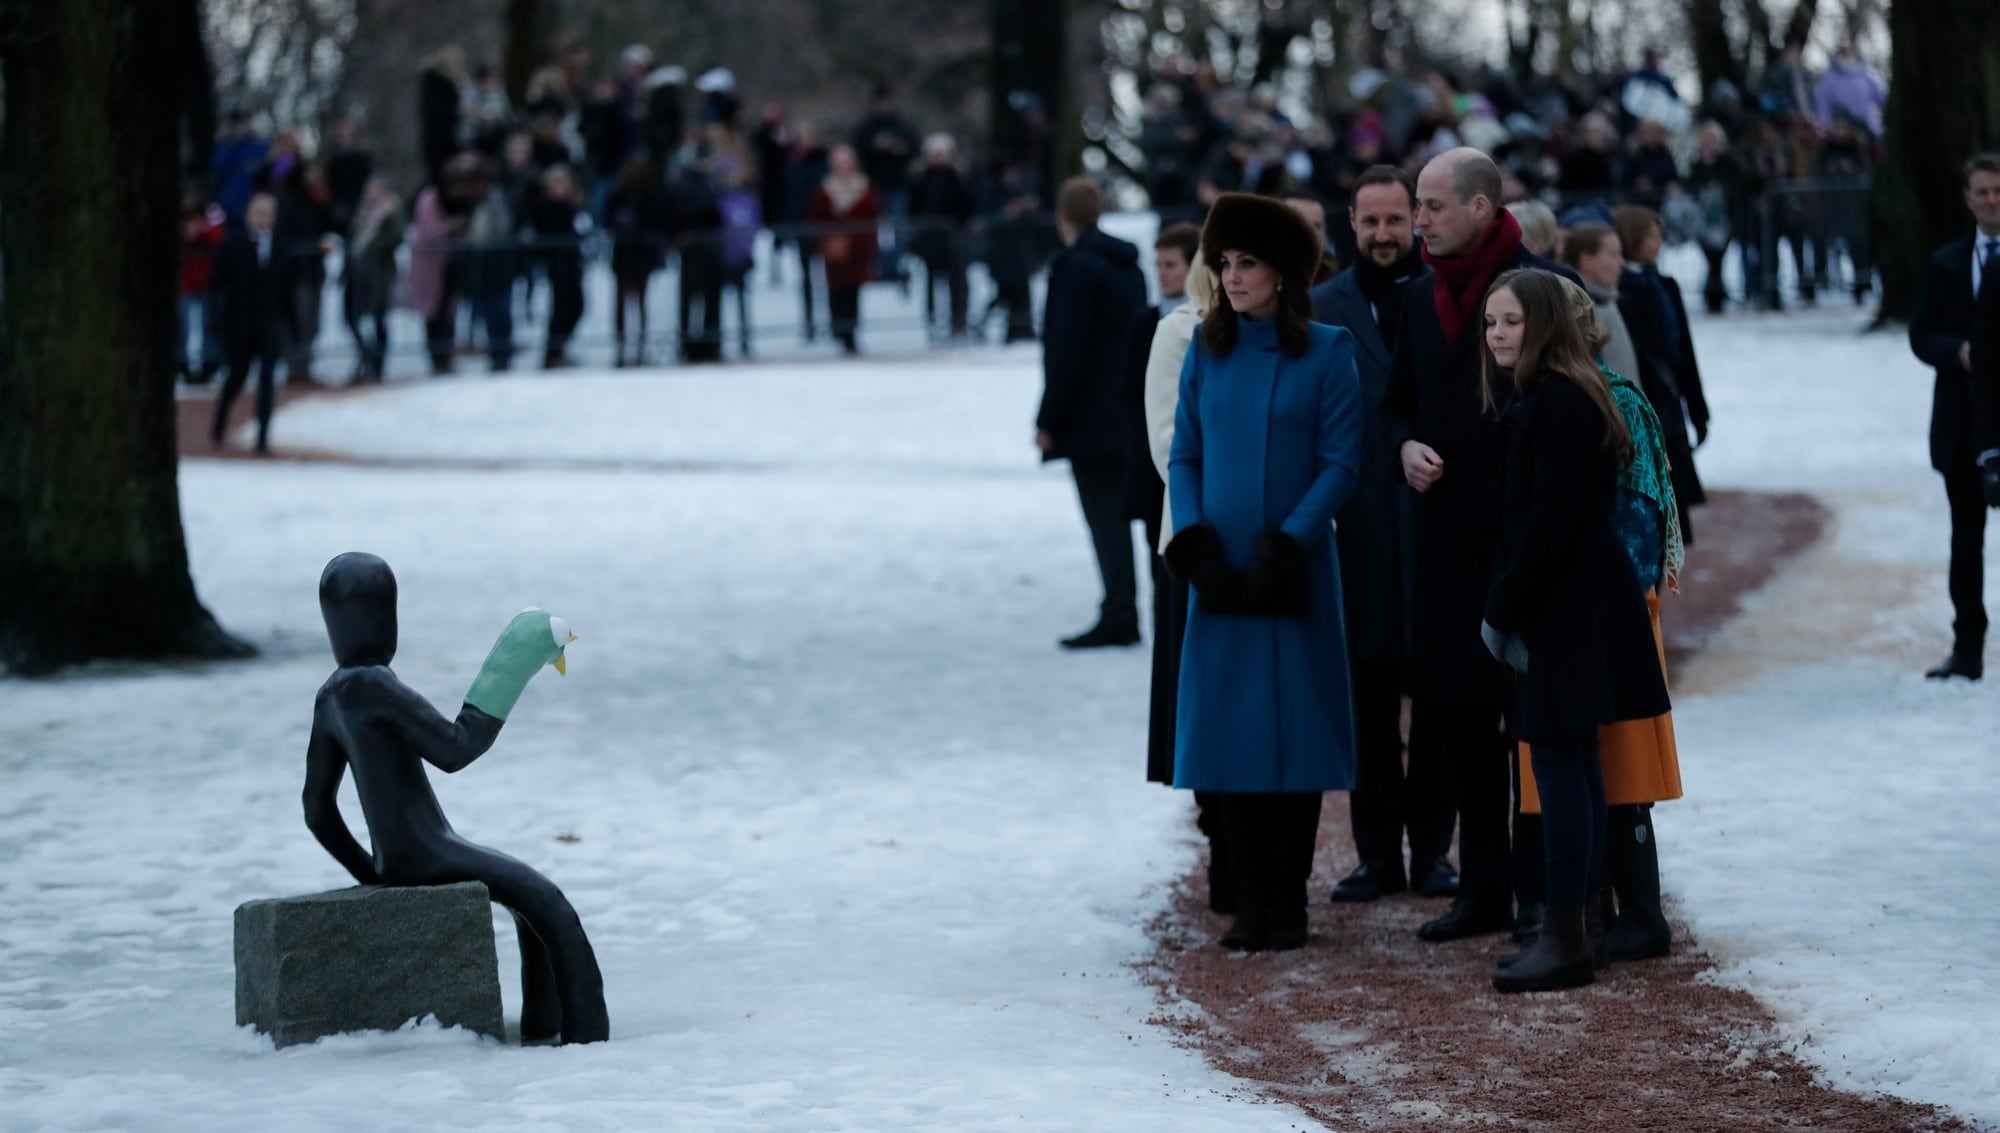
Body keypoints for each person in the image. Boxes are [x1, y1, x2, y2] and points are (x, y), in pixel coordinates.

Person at [1163, 192, 1363, 952]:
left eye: (1246, 263)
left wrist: (1290, 544)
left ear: (1282, 273)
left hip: (1293, 571)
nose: (1231, 275)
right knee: (1230, 738)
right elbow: (1185, 454)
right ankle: (1249, 898)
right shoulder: (1204, 352)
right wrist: (1198, 546)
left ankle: (1290, 900)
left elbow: (1340, 461)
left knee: (1296, 732)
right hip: (1221, 575)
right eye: (1225, 262)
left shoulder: (1328, 349)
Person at [1382, 148, 1570, 944]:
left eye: (1431, 205)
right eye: (1416, 205)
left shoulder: (1545, 291)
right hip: (1442, 546)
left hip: (1524, 546)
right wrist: (1402, 448)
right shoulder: (1419, 298)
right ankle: (1483, 886)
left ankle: (1543, 894)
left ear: (1485, 207)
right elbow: (1394, 403)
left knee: (1533, 726)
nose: (1418, 219)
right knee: (1461, 727)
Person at [307, 553, 606, 1044]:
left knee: (530, 911)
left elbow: (316, 810)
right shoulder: (374, 685)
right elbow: (454, 749)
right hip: (427, 851)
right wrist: (508, 672)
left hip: (400, 856)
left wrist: (375, 872)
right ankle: (585, 1035)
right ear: (387, 621)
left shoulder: (331, 696)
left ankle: (542, 1025)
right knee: (549, 905)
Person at [1475, 269, 1670, 992]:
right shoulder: (1554, 396)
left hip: (1570, 608)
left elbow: (1549, 524)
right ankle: (1578, 928)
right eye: (1491, 322)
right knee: (1571, 764)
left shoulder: (1560, 404)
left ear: (1548, 326)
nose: (1497, 334)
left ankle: (1567, 935)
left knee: (1561, 767)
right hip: (1575, 604)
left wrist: (1503, 604)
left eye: (1512, 321)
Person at [1311, 165, 1457, 904]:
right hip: (1357, 535)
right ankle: (1376, 855)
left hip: (1437, 532)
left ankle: (1434, 850)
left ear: (1417, 220)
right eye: (1369, 222)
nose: (1382, 234)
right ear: (1351, 223)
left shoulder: (1450, 297)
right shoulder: (1321, 309)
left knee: (1438, 703)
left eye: (1395, 220)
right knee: (1368, 707)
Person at [1141, 236, 1231, 912]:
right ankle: (1222, 844)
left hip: (1271, 539)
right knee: (1205, 705)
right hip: (1200, 541)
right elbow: (1170, 442)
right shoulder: (1180, 331)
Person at [1036, 177, 1149, 649]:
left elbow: (1065, 349)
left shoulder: (1075, 269)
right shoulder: (1128, 268)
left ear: (1064, 218)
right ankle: (1130, 608)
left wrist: (1048, 418)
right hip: (1131, 409)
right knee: (1134, 514)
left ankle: (1119, 610)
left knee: (1105, 517)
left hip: (1089, 417)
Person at [1908, 154, 2000, 681]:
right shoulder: (1947, 262)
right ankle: (1968, 649)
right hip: (1961, 421)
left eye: (1998, 191)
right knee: (1966, 541)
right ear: (1967, 198)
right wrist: (1961, 351)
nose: (1991, 200)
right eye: (1983, 191)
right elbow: (1921, 334)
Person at [1613, 206, 1709, 544]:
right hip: (1646, 402)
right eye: (1652, 235)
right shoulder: (1620, 293)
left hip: (1669, 401)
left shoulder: (1664, 285)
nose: (1659, 242)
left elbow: (1684, 351)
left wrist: (1698, 409)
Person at [209, 193, 284, 454]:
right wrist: (218, 321)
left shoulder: (280, 246)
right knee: (237, 377)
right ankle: (218, 426)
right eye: (258, 213)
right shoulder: (234, 244)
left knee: (267, 380)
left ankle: (263, 438)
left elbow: (284, 289)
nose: (263, 219)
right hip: (239, 323)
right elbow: (218, 284)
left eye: (267, 213)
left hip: (269, 323)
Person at [808, 145, 881, 356]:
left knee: (853, 292)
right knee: (836, 291)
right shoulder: (825, 190)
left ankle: (851, 333)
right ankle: (839, 331)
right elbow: (816, 218)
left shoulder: (864, 188)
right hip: (834, 252)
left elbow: (872, 217)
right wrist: (828, 241)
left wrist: (863, 242)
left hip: (858, 251)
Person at [909, 134, 977, 342]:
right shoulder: (921, 181)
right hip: (931, 241)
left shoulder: (960, 179)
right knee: (931, 283)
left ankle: (958, 322)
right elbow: (914, 208)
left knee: (958, 284)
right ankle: (932, 322)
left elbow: (969, 206)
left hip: (955, 241)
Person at [853, 83, 917, 284]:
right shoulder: (867, 127)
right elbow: (859, 151)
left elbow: (914, 148)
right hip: (874, 185)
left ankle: (894, 268)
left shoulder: (902, 125)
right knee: (872, 231)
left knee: (899, 230)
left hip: (898, 185)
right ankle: (878, 267)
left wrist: (899, 148)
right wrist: (876, 146)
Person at [605, 156, 666, 367]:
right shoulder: (618, 196)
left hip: (641, 256)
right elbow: (607, 221)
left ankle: (641, 346)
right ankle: (621, 349)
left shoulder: (649, 196)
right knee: (622, 304)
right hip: (623, 255)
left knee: (640, 303)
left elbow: (657, 220)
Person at [341, 177, 403, 382]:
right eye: (368, 190)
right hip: (355, 274)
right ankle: (364, 357)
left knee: (378, 319)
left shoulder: (390, 213)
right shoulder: (359, 213)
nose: (371, 195)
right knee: (351, 317)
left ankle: (377, 365)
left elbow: (396, 237)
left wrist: (373, 251)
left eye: (375, 191)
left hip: (379, 274)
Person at [524, 166, 586, 368]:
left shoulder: (569, 206)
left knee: (576, 306)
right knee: (561, 310)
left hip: (571, 263)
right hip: (557, 266)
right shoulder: (544, 207)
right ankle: (552, 352)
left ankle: (558, 349)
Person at [178, 183, 227, 385]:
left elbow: (216, 236)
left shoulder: (212, 212)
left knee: (210, 324)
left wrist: (198, 230)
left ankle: (210, 363)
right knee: (182, 325)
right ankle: (181, 364)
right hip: (184, 280)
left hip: (208, 280)